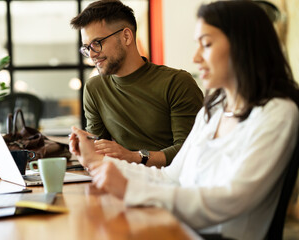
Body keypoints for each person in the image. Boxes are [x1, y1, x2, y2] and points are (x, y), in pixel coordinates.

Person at [69, 1, 299, 239]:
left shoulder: (278, 112)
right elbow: (170, 177)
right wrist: (99, 162)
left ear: (244, 46)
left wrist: (133, 189)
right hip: (178, 228)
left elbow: (232, 200)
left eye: (206, 44)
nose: (196, 57)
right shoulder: (215, 109)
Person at [70, 0, 203, 167]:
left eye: (97, 43)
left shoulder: (177, 83)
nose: (91, 55)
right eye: (86, 47)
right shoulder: (94, 88)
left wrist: (133, 157)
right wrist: (85, 148)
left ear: (126, 36)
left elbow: (189, 151)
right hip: (123, 181)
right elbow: (100, 152)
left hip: (173, 183)